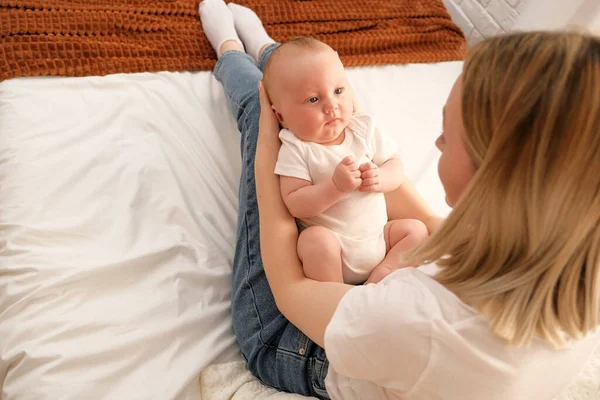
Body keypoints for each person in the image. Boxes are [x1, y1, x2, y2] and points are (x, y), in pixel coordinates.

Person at [200, 0, 600, 398]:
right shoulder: (576, 259)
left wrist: (269, 140)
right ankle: (276, 55)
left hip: (293, 339)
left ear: (495, 173)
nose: (437, 141)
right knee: (330, 102)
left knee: (264, 108)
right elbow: (426, 218)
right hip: (377, 316)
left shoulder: (416, 320)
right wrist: (349, 131)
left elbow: (290, 293)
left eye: (448, 133)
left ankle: (233, 51)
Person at [263, 37, 429, 284]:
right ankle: (337, 292)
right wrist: (335, 188)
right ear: (282, 116)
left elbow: (395, 166)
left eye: (338, 91)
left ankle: (382, 274)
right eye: (313, 99)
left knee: (417, 231)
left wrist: (381, 178)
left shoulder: (361, 127)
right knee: (314, 241)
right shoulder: (296, 147)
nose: (332, 106)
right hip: (336, 250)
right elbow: (295, 203)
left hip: (378, 239)